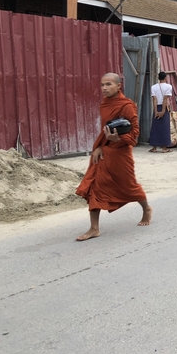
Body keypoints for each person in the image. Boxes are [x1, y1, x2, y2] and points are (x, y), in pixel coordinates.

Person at [75, 73, 151, 241]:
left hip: (121, 152)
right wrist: (100, 146)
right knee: (94, 185)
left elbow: (135, 134)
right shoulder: (105, 104)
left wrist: (117, 139)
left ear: (118, 86)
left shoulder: (126, 105)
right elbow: (105, 130)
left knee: (129, 185)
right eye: (102, 85)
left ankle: (146, 209)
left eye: (108, 84)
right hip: (104, 151)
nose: (104, 88)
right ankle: (94, 228)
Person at [148, 71, 173, 153]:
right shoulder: (168, 86)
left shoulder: (153, 87)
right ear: (166, 78)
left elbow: (154, 99)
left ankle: (154, 147)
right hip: (164, 107)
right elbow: (165, 99)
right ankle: (164, 148)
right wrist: (163, 111)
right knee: (165, 127)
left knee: (155, 127)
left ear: (158, 78)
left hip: (156, 107)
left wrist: (156, 111)